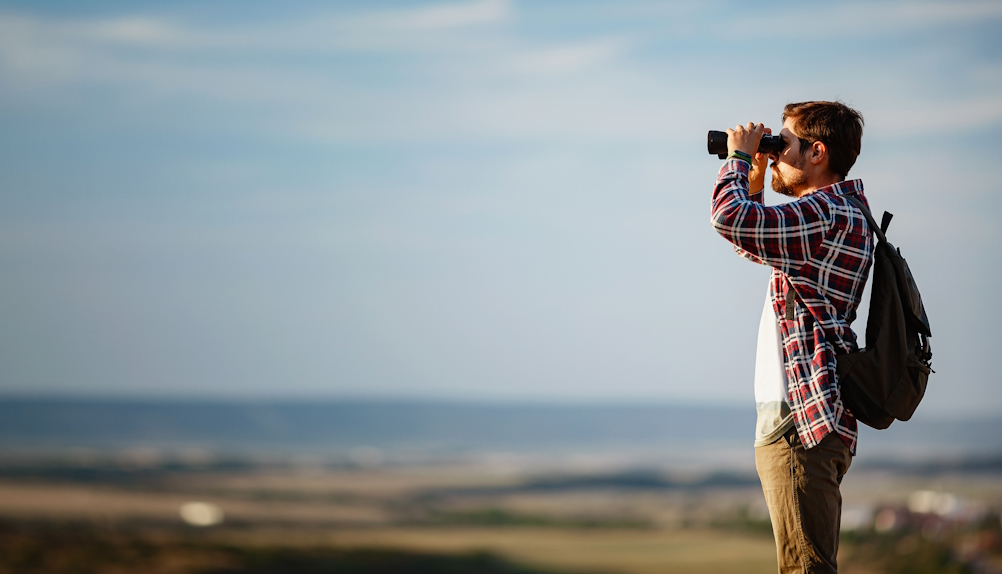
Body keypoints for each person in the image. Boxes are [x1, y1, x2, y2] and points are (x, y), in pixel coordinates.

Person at [709, 101, 870, 573]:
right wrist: (757, 178)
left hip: (801, 424)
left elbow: (729, 220)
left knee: (804, 568)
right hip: (801, 421)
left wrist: (738, 159)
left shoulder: (827, 212)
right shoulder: (831, 215)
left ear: (817, 152)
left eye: (784, 143)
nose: (775, 152)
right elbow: (753, 242)